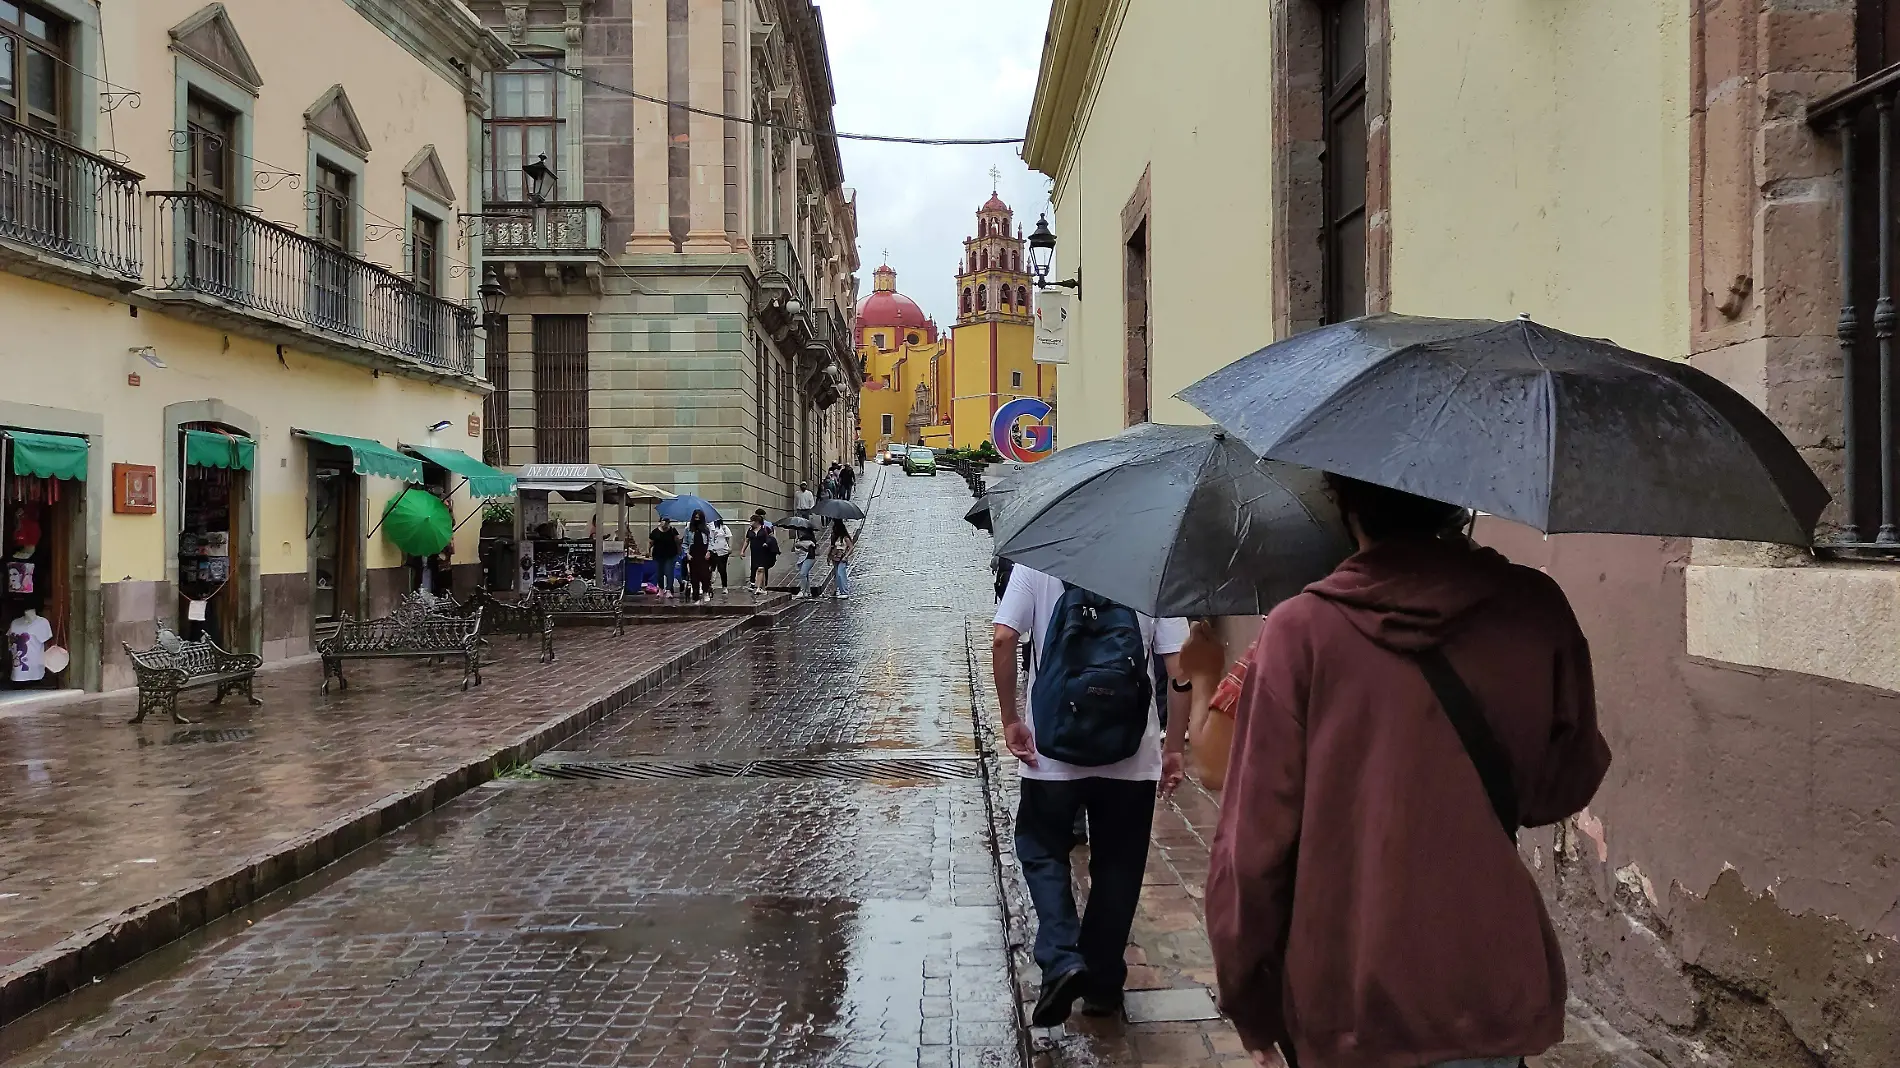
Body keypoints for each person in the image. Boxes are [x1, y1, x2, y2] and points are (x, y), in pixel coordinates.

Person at [1205, 476, 1610, 1068]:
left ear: (1343, 505)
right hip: (1487, 981)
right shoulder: (1534, 606)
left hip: (1349, 1000)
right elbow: (1562, 787)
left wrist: (1250, 1001)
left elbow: (1252, 850)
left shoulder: (1300, 631)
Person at [992, 565, 1190, 1027]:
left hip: (1053, 752)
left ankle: (1061, 956)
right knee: (1118, 866)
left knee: (1042, 851)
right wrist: (1174, 746)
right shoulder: (1153, 563)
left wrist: (1010, 718)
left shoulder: (1038, 560)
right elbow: (1179, 668)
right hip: (1130, 752)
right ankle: (1102, 984)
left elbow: (1004, 638)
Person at [647, 516, 681, 596]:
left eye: (667, 521)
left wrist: (679, 550)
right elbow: (650, 542)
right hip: (658, 555)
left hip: (670, 555)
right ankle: (661, 589)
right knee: (659, 572)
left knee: (669, 572)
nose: (665, 523)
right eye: (664, 521)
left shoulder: (673, 531)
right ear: (660, 522)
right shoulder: (655, 532)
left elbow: (677, 542)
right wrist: (648, 551)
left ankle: (669, 589)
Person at [685, 510, 713, 604]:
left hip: (703, 553)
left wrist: (709, 551)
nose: (697, 519)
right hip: (693, 553)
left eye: (698, 517)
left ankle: (705, 592)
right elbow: (685, 543)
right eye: (695, 517)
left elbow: (711, 541)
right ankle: (696, 596)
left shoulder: (706, 528)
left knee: (705, 575)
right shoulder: (688, 528)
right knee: (694, 576)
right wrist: (687, 554)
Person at [747, 516, 780, 592]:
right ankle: (758, 586)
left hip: (764, 551)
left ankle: (760, 587)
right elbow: (747, 540)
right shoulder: (750, 530)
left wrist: (767, 543)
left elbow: (772, 538)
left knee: (761, 568)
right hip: (755, 552)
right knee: (755, 568)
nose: (750, 522)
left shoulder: (765, 528)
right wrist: (743, 551)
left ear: (756, 521)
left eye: (751, 521)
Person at [827, 523, 854, 599]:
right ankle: (839, 590)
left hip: (842, 558)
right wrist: (829, 556)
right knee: (837, 575)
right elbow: (832, 547)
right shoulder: (835, 537)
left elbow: (851, 547)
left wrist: (846, 556)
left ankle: (844, 591)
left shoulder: (845, 538)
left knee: (841, 574)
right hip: (835, 557)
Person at [793, 525, 819, 598]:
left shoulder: (809, 540)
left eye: (801, 531)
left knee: (803, 574)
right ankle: (808, 592)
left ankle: (802, 591)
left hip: (809, 558)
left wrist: (799, 544)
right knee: (805, 575)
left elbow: (809, 547)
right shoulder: (800, 539)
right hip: (802, 558)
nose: (800, 532)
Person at [708, 518, 732, 594]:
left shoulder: (724, 527)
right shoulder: (709, 527)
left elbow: (729, 537)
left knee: (722, 569)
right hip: (712, 550)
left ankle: (724, 587)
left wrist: (730, 547)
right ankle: (710, 585)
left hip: (723, 551)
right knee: (711, 569)